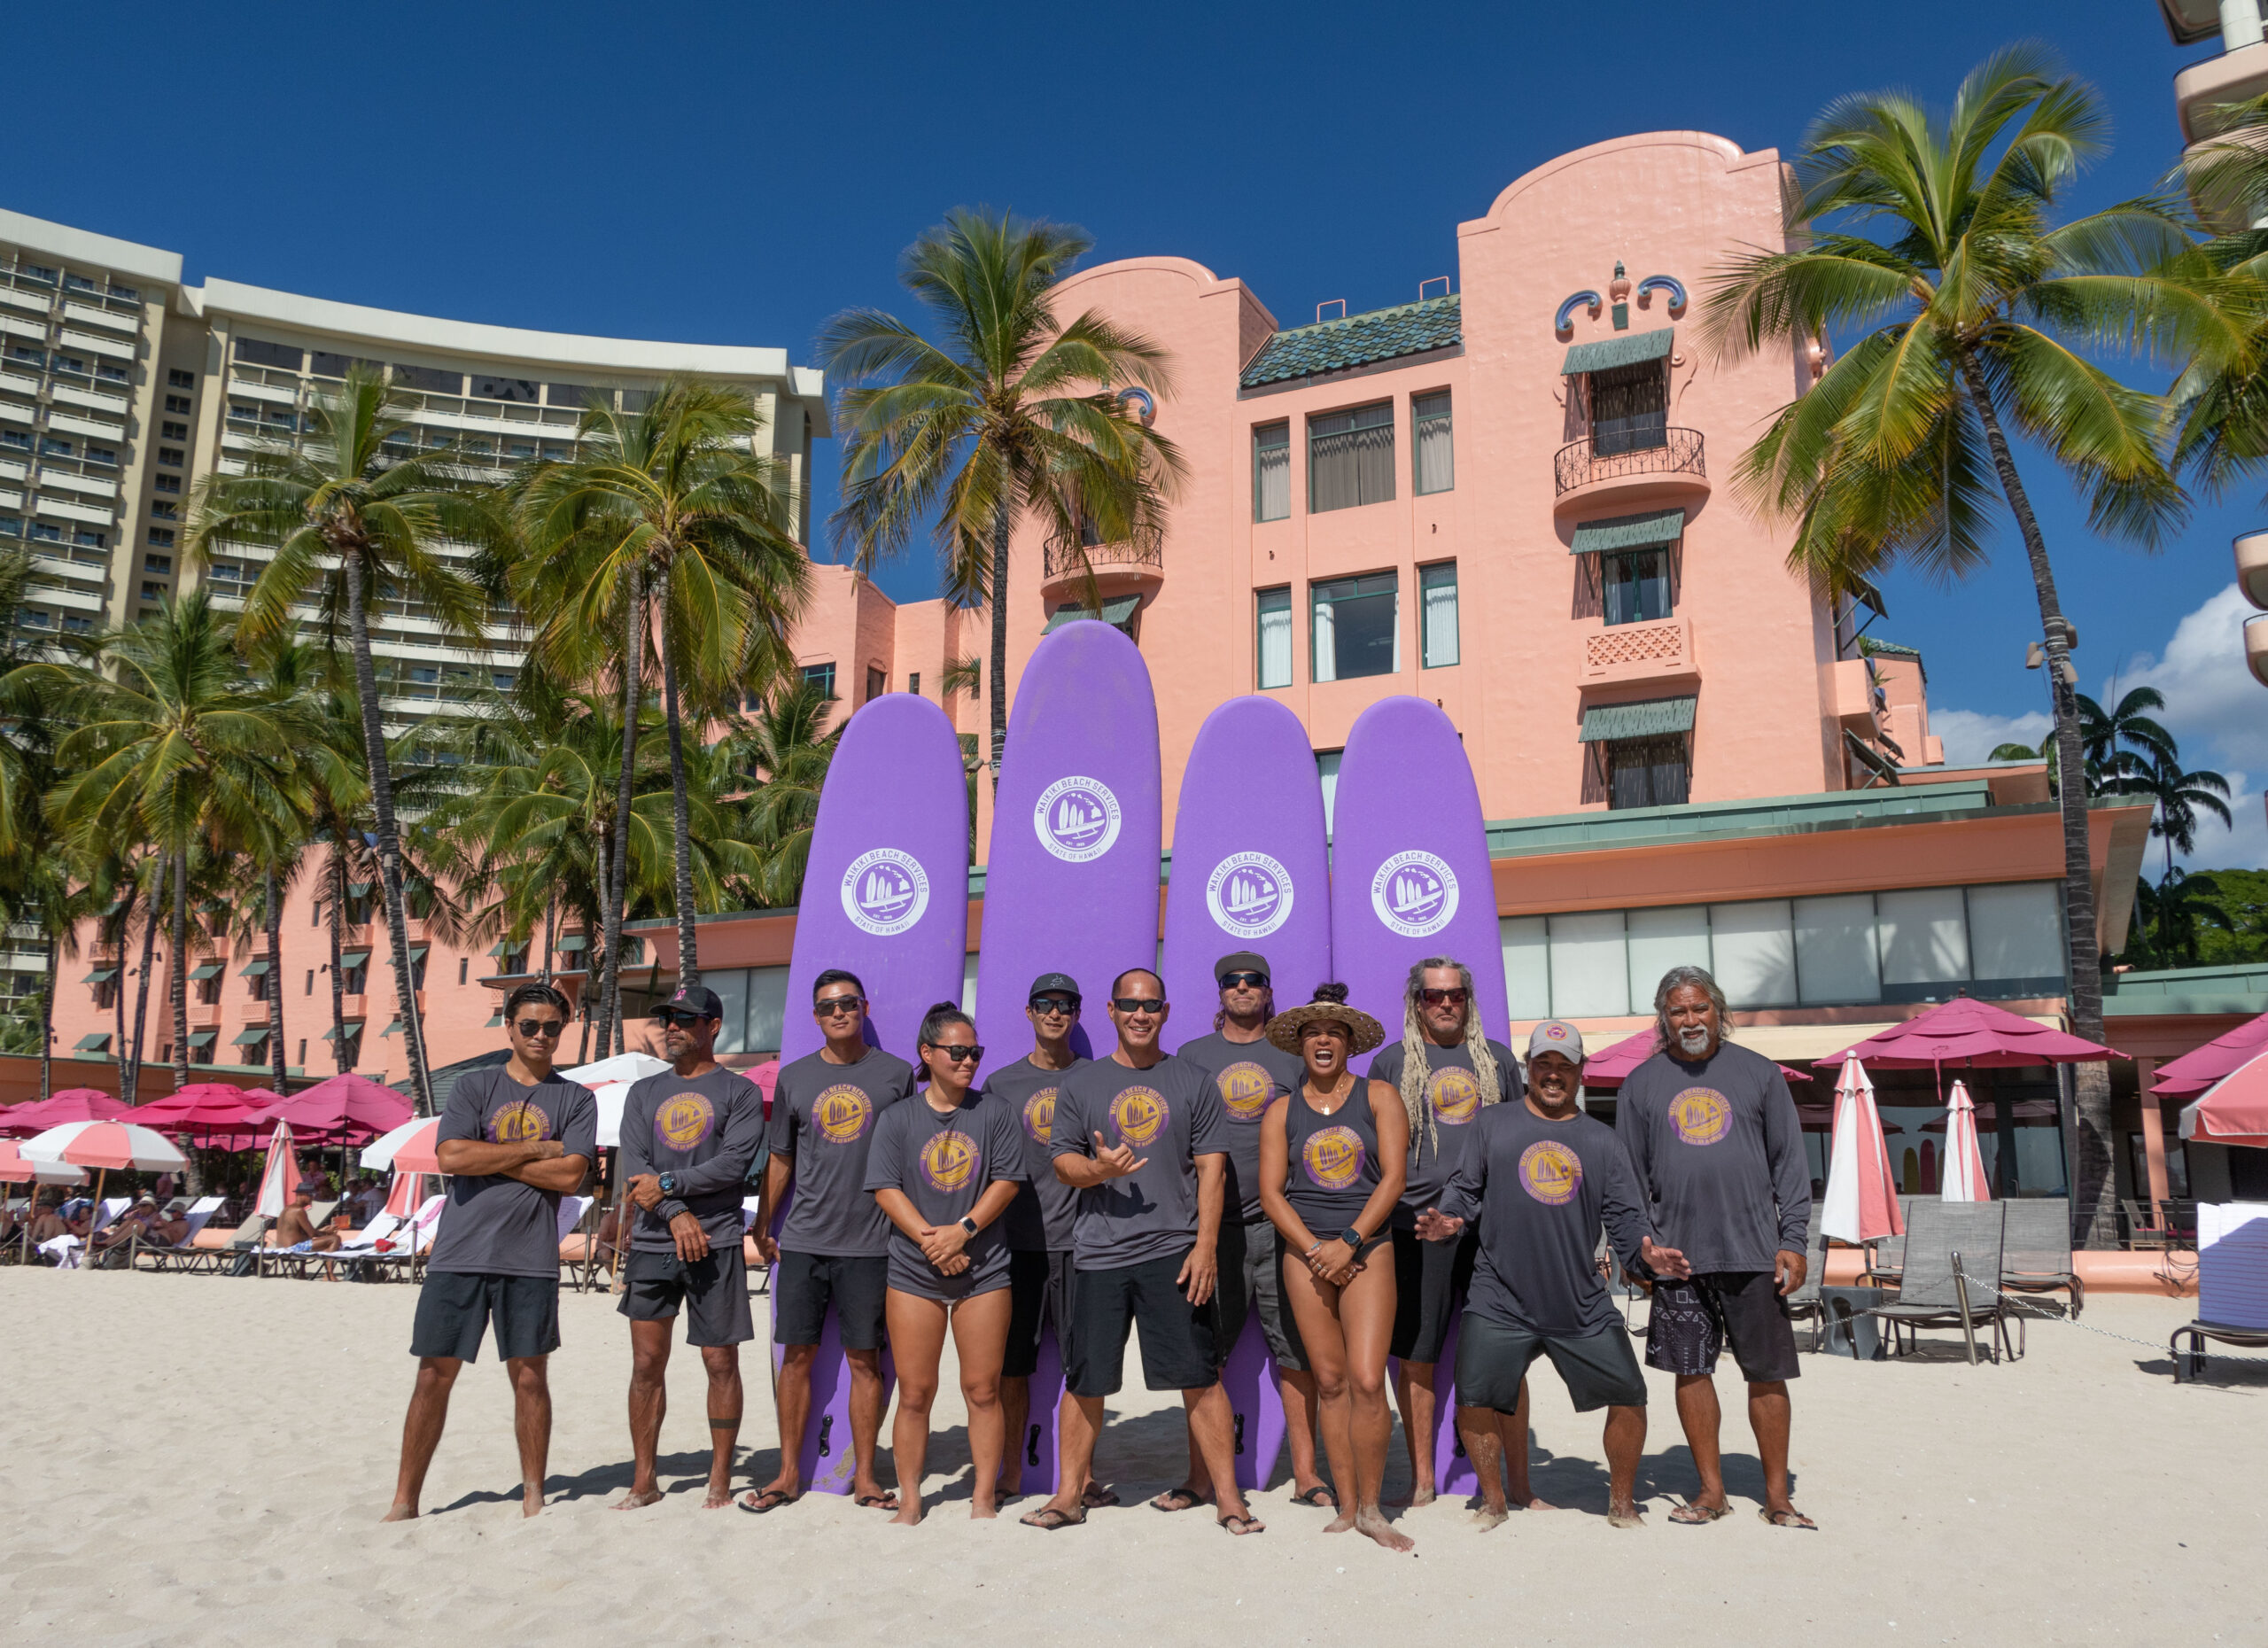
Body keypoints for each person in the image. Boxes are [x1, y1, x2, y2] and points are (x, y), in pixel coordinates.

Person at [1421, 1020, 1689, 1528]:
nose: (1553, 1075)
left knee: (1630, 1395)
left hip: (1579, 1300)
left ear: (1580, 1072)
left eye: (1564, 1067)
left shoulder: (1603, 1142)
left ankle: (1622, 1503)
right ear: (1528, 1067)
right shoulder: (1492, 1124)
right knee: (1475, 1396)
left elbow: (1628, 1222)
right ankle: (1496, 1501)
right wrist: (1450, 1220)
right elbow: (1464, 1190)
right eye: (1544, 1064)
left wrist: (1645, 1258)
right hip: (1499, 1296)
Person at [1024, 968, 1261, 1535]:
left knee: (1199, 1376)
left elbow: (1212, 1172)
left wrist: (1204, 1247)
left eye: (1151, 1006)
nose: (1140, 1015)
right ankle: (1067, 1496)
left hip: (1174, 1252)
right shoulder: (1082, 1085)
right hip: (1099, 1254)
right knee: (1086, 1380)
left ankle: (1229, 1499)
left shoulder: (1194, 1080)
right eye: (1129, 1005)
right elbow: (1062, 1161)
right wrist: (1098, 1169)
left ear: (1166, 1012)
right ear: (1110, 1012)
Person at [385, 982, 596, 1520]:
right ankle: (405, 1499)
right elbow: (452, 1156)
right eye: (530, 1025)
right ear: (510, 1027)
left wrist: (493, 1155)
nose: (541, 1035)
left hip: (530, 1257)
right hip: (459, 1253)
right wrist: (534, 1148)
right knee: (434, 1374)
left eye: (551, 1026)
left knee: (530, 1376)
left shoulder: (576, 1098)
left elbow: (572, 1174)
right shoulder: (474, 1085)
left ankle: (533, 1494)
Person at [1616, 964, 1815, 1529]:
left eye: (1699, 1008)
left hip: (1754, 1253)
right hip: (1678, 1260)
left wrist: (1793, 1240)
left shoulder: (1759, 1075)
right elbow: (1626, 1179)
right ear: (1664, 1018)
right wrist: (1637, 1251)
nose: (1690, 1019)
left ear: (1719, 1010)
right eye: (1677, 1011)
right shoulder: (1641, 1085)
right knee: (1690, 1371)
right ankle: (1712, 1491)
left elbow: (1791, 1166)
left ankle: (1778, 1496)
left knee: (1767, 1374)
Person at [742, 968, 916, 1514]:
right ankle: (789, 1473)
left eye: (847, 1002)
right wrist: (762, 1223)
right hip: (805, 1240)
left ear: (863, 1008)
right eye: (827, 1006)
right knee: (795, 1357)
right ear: (815, 1017)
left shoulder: (897, 1074)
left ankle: (866, 1476)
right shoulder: (794, 1078)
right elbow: (781, 1159)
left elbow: (913, 1155)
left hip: (873, 1244)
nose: (838, 1011)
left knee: (866, 1362)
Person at [1171, 952, 1330, 1510]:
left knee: (1296, 1352)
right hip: (1210, 1229)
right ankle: (1199, 1478)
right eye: (1232, 982)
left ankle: (1307, 1474)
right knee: (1203, 1356)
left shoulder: (1292, 1055)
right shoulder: (1191, 1057)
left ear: (1268, 991)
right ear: (1220, 992)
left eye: (1254, 981)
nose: (1243, 989)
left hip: (1281, 1225)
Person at [1366, 955, 1523, 1504]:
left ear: (1468, 1000)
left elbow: (1521, 1143)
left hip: (1490, 1228)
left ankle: (1508, 1481)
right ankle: (1423, 1480)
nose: (1447, 1003)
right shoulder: (1389, 1065)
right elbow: (1376, 1157)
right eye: (1435, 996)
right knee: (1417, 1354)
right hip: (1416, 1226)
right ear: (1417, 1003)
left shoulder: (1499, 1063)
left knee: (1505, 1349)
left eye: (1456, 994)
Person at [1258, 983, 1410, 1551]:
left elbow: (1393, 1178)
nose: (1324, 1041)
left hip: (1367, 1246)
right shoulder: (1281, 1109)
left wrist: (1349, 1241)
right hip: (1305, 1252)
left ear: (1349, 1045)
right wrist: (1315, 1249)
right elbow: (1272, 1193)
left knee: (1370, 1379)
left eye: (1334, 1034)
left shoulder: (1379, 1097)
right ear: (1300, 1045)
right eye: (1314, 1033)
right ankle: (1348, 1505)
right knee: (1329, 1380)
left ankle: (1373, 1508)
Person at [864, 1000, 1025, 1524]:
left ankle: (982, 1497)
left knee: (982, 1388)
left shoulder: (995, 1111)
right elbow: (885, 1189)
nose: (968, 1060)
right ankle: (910, 1499)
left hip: (985, 1270)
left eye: (974, 1051)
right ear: (926, 1053)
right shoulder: (897, 1118)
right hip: (913, 1271)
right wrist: (933, 1241)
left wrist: (964, 1232)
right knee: (915, 1392)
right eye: (957, 1051)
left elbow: (1007, 1181)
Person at [615, 985, 767, 1511]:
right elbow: (632, 1167)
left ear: (713, 1026)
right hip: (654, 1242)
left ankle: (720, 1479)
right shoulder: (643, 1093)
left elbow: (733, 1164)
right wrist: (676, 1210)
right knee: (645, 1363)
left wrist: (672, 1189)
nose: (672, 1027)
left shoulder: (739, 1092)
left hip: (718, 1241)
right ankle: (644, 1480)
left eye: (685, 1019)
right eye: (667, 1019)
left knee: (720, 1361)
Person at [982, 973, 1114, 1508]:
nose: (1055, 1013)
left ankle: (1082, 1476)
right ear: (1030, 1012)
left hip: (1084, 1244)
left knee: (1085, 1364)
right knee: (1014, 1367)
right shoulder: (999, 1084)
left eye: (1066, 1005)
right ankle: (1013, 1469)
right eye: (1045, 1004)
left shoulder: (1100, 1079)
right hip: (1015, 1246)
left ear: (1079, 1014)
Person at [275, 1181, 343, 1252]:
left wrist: (322, 1231)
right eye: (311, 1194)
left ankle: (327, 1261)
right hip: (293, 1248)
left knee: (327, 1241)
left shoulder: (286, 1209)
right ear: (301, 1195)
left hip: (280, 1248)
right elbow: (312, 1234)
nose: (313, 1197)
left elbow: (303, 1232)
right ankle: (329, 1263)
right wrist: (327, 1233)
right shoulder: (299, 1210)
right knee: (335, 1239)